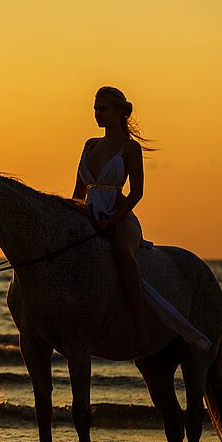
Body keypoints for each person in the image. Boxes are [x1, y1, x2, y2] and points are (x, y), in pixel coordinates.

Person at [72, 86, 154, 353]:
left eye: (103, 108)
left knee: (122, 252)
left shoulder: (130, 148)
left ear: (120, 113)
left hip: (120, 216)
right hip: (89, 215)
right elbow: (78, 192)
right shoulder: (89, 144)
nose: (97, 114)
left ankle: (141, 326)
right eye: (95, 108)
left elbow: (138, 192)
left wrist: (114, 218)